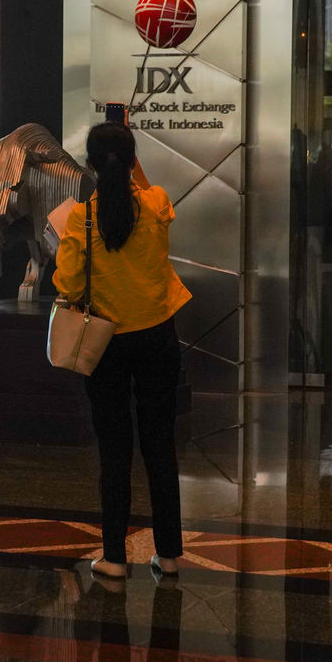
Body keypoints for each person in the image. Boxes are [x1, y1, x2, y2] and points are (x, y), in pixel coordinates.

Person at [53, 122, 191, 579]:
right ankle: (169, 553)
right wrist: (131, 157)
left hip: (106, 344)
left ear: (90, 164)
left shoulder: (81, 217)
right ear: (132, 161)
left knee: (114, 450)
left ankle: (113, 557)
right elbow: (152, 196)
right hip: (158, 337)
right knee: (160, 445)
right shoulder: (155, 203)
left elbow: (69, 283)